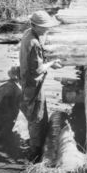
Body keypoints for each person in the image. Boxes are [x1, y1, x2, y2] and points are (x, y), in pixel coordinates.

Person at [19, 11, 62, 161]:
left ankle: (37, 146)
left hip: (28, 81)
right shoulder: (34, 42)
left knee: (38, 114)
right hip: (33, 85)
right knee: (37, 118)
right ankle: (35, 154)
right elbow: (38, 69)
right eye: (44, 27)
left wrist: (47, 60)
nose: (47, 29)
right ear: (35, 26)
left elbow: (35, 59)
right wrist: (51, 63)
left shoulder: (27, 34)